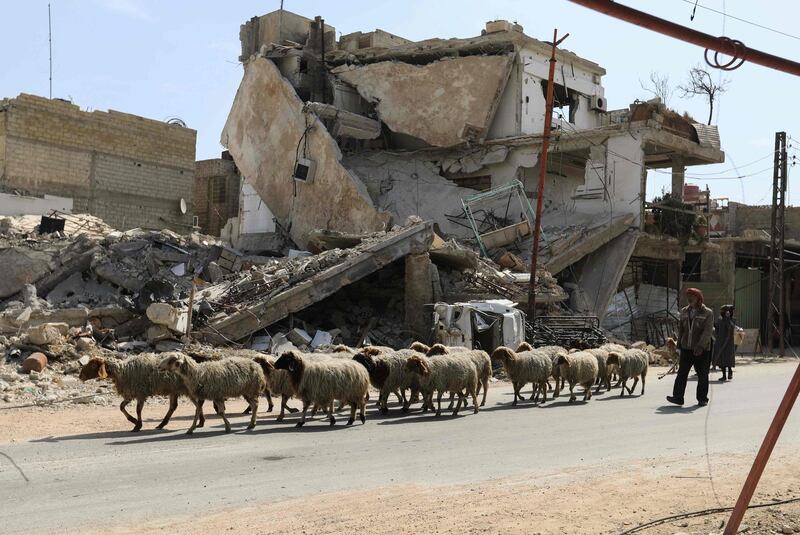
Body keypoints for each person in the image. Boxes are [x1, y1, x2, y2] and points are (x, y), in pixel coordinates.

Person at [667, 287, 714, 407]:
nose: (689, 299)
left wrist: (700, 346)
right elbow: (681, 330)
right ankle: (678, 397)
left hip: (702, 350)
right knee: (682, 373)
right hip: (686, 348)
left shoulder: (708, 313)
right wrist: (678, 346)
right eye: (688, 297)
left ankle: (702, 398)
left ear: (699, 299)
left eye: (692, 297)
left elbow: (707, 332)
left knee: (703, 374)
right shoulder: (683, 311)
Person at [713, 304, 736, 382]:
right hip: (720, 341)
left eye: (723, 311)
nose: (721, 313)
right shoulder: (719, 320)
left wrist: (728, 319)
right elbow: (716, 330)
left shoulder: (730, 320)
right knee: (721, 360)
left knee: (728, 359)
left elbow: (731, 329)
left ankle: (730, 372)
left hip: (728, 343)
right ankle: (724, 376)